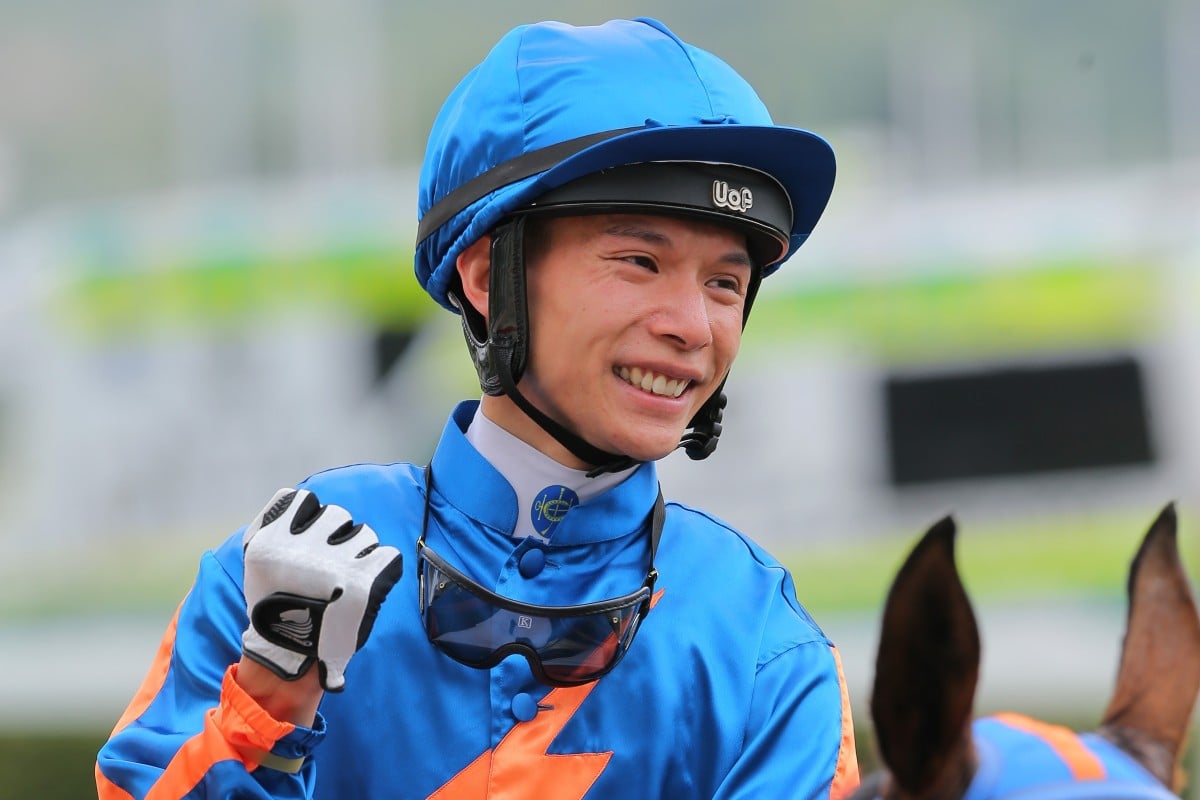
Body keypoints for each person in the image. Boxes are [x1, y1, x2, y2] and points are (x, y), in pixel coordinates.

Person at [96, 16, 859, 799]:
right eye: (640, 261)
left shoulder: (763, 643)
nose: (692, 327)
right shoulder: (278, 568)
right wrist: (266, 705)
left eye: (724, 284)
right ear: (489, 277)